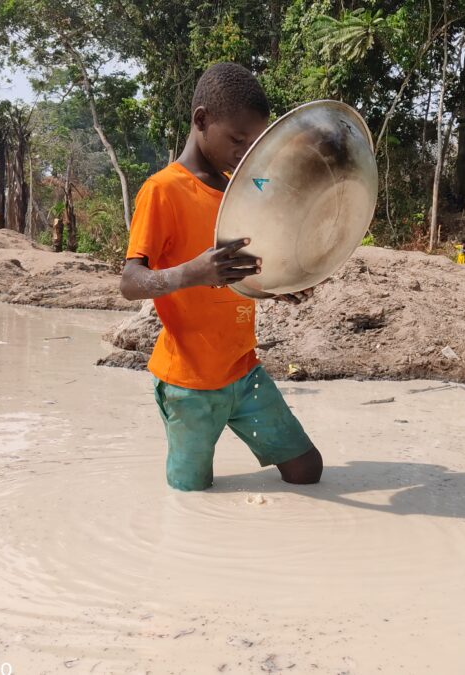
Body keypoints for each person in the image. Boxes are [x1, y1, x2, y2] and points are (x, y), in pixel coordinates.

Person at [119, 63, 323, 492]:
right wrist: (194, 272)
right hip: (188, 385)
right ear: (200, 120)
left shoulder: (241, 191)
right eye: (237, 139)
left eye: (254, 144)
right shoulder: (163, 190)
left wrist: (280, 286)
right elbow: (130, 282)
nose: (245, 152)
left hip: (243, 372)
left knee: (308, 471)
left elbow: (244, 272)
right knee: (191, 497)